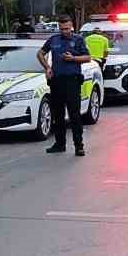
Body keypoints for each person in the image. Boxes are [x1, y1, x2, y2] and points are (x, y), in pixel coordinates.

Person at [37, 14, 91, 157]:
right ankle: (60, 144)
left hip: (72, 81)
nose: (64, 31)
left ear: (71, 26)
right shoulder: (54, 39)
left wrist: (73, 58)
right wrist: (47, 68)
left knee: (74, 115)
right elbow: (40, 53)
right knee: (58, 114)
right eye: (62, 29)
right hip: (57, 82)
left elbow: (88, 57)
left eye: (67, 28)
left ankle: (79, 146)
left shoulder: (78, 40)